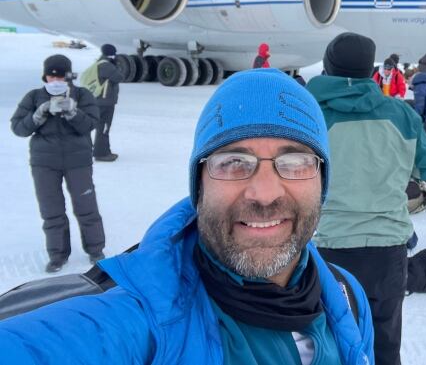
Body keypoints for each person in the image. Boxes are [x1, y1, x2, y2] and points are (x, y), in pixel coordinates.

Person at [1, 68, 374, 364]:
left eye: (294, 163)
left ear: (322, 181)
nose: (264, 194)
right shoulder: (142, 319)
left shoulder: (346, 297)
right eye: (232, 162)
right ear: (199, 185)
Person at [307, 32, 426, 365]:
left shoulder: (311, 116)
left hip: (330, 244)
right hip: (388, 248)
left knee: (330, 342)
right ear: (369, 69)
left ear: (328, 65)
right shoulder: (401, 114)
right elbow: (425, 165)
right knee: (385, 343)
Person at [10, 55, 105, 273]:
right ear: (45, 75)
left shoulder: (82, 95)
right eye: (51, 75)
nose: (55, 79)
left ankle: (95, 249)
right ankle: (57, 254)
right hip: (44, 163)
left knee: (86, 207)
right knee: (51, 209)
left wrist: (73, 113)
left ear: (68, 76)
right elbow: (18, 128)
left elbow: (91, 124)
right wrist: (37, 115)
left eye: (60, 75)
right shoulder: (34, 96)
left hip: (78, 161)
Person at [93, 43, 124, 162]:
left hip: (102, 100)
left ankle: (104, 150)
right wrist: (117, 65)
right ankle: (101, 153)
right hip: (105, 101)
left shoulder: (101, 62)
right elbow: (119, 77)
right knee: (104, 127)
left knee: (103, 127)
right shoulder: (106, 65)